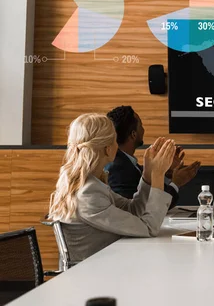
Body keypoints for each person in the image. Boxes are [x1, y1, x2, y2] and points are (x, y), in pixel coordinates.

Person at [48, 113, 177, 263]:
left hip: (103, 268)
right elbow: (149, 228)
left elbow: (133, 210)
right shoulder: (88, 194)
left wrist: (148, 175)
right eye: (115, 140)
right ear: (107, 149)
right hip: (96, 276)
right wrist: (158, 175)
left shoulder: (87, 184)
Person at [106, 106, 199, 209]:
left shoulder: (126, 162)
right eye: (141, 125)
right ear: (133, 134)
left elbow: (148, 192)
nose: (143, 129)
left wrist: (165, 172)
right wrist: (176, 183)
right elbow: (145, 208)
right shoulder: (118, 167)